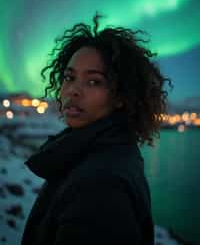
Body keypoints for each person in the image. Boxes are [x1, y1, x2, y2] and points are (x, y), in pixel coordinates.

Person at [21, 13, 171, 244]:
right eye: (69, 77)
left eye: (94, 81)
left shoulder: (102, 185)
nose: (73, 91)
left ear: (121, 95)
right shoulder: (98, 152)